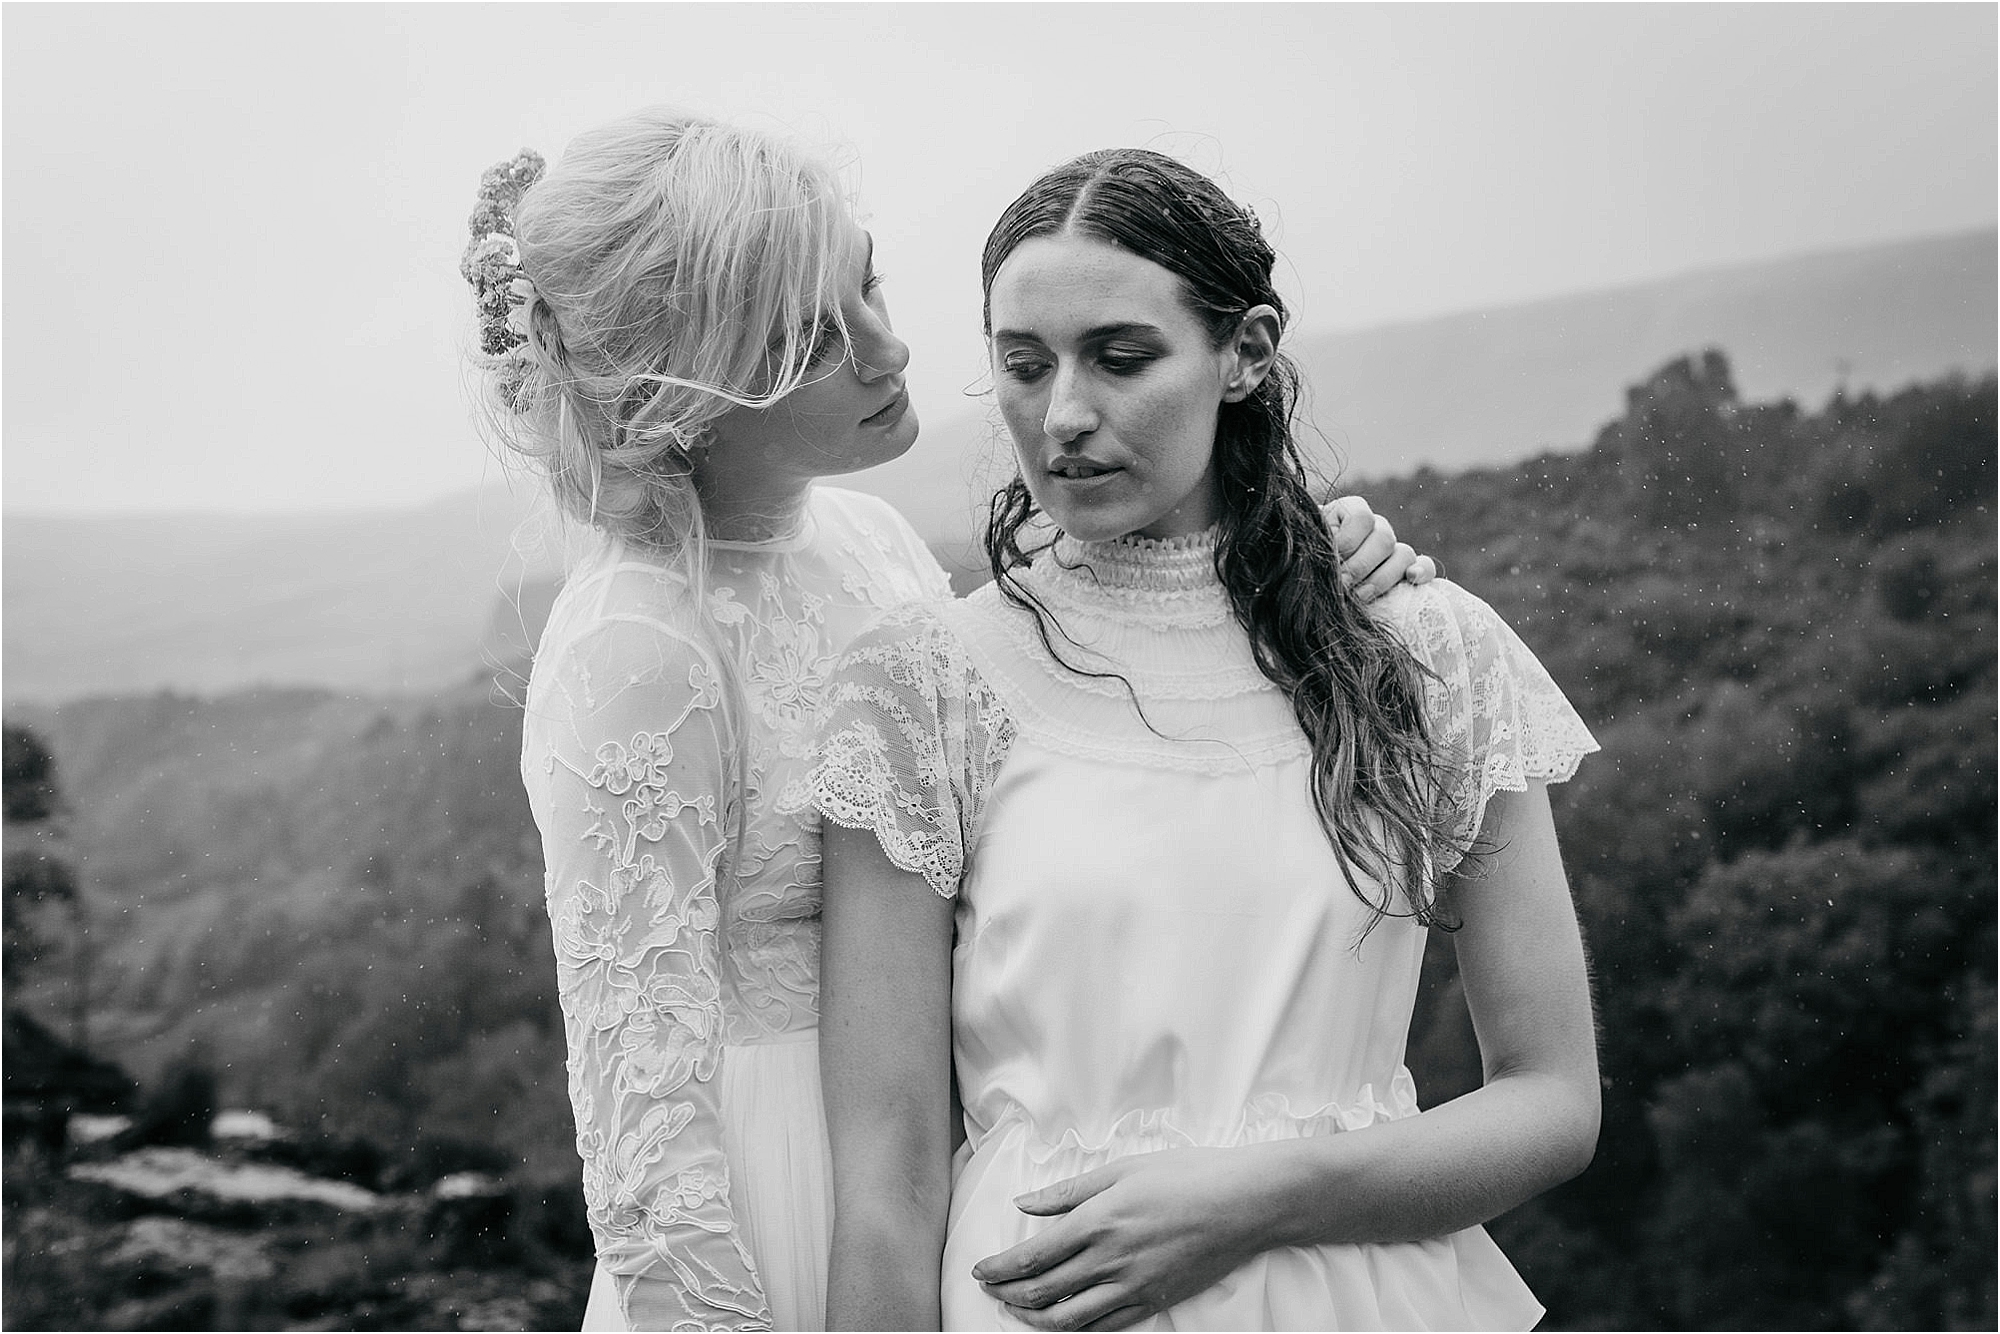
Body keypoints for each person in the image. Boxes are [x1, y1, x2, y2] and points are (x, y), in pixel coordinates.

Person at [462, 110, 1432, 1332]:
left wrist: (1289, 566)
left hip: (962, 1161)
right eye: (815, 334)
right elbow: (640, 1140)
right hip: (779, 1208)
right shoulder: (635, 647)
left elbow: (1048, 725)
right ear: (689, 388)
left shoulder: (862, 543)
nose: (889, 345)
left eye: (865, 281)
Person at [809, 147, 1602, 1332]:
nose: (1063, 415)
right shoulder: (924, 684)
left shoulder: (1426, 652)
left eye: (1121, 358)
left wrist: (1257, 1195)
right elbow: (887, 1182)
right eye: (1022, 366)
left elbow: (1551, 1098)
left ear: (1244, 352)